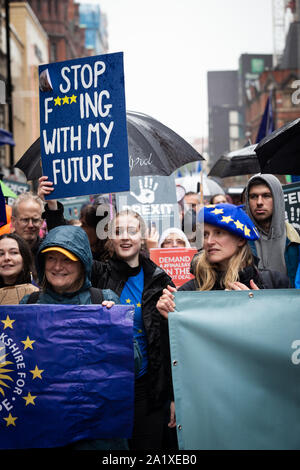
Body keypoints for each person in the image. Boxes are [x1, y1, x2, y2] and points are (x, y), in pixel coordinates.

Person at [20, 224, 140, 450]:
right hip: (43, 431)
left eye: (67, 259)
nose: (57, 266)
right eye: (51, 258)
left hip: (97, 436)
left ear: (83, 263)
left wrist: (115, 332)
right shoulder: (29, 304)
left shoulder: (103, 300)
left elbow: (134, 365)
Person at [91, 209, 175, 450]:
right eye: (118, 231)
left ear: (143, 237)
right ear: (111, 238)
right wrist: (53, 208)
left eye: (132, 231)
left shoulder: (160, 280)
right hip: (107, 388)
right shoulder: (98, 275)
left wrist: (172, 396)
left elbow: (170, 344)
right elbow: (65, 258)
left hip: (147, 390)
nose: (125, 237)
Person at [157, 203, 290, 319]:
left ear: (241, 239)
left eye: (219, 233)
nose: (209, 242)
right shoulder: (190, 291)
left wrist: (261, 308)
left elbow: (287, 334)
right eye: (205, 234)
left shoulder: (274, 282)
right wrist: (169, 316)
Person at [244, 174, 300, 288]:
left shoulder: (295, 239)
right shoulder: (239, 240)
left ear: (278, 198)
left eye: (266, 195)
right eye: (253, 196)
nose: (259, 202)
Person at [0, 233, 38, 304]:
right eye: (1, 254)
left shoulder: (37, 296)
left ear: (24, 258)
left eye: (13, 252)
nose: (6, 258)